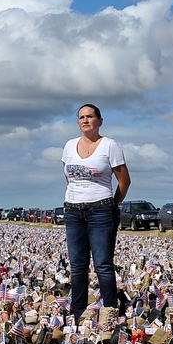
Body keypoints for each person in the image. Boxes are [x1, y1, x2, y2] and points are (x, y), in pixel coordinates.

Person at [62, 104, 130, 321]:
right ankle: (77, 311)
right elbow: (68, 175)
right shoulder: (69, 146)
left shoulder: (109, 146)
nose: (85, 120)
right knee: (78, 265)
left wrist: (112, 204)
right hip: (73, 210)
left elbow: (124, 180)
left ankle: (109, 311)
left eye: (90, 116)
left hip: (101, 210)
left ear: (100, 121)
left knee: (102, 264)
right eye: (81, 117)